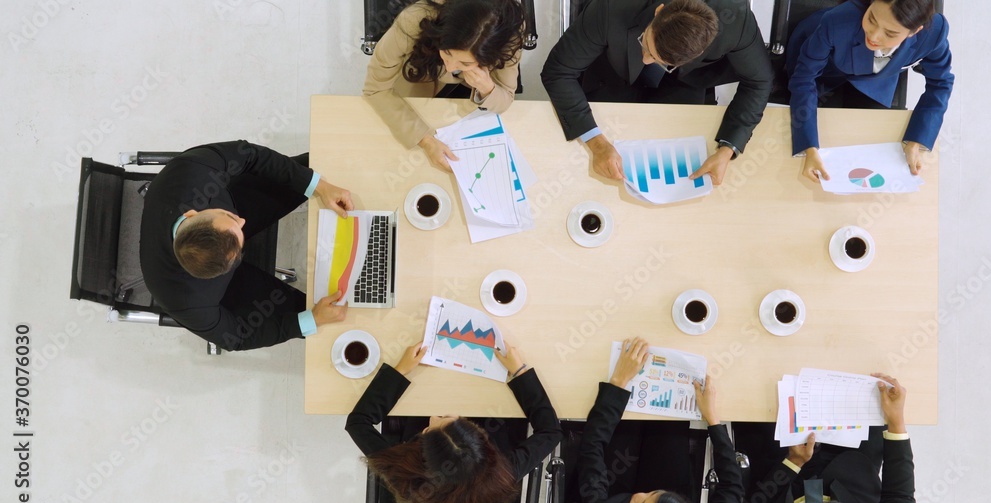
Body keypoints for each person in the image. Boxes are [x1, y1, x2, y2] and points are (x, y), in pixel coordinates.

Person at [139, 140, 354, 351]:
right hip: (230, 288)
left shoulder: (192, 172)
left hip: (234, 199)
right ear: (229, 265)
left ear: (192, 214)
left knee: (322, 171)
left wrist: (320, 186)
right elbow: (236, 338)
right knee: (333, 318)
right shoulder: (185, 300)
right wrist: (311, 320)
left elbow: (249, 154)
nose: (242, 223)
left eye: (230, 220)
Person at [345, 340, 560, 503]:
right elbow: (551, 432)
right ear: (481, 440)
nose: (433, 416)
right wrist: (520, 371)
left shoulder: (405, 474)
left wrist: (400, 370)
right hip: (488, 400)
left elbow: (357, 423)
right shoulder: (500, 475)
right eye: (447, 419)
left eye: (431, 426)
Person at [541, 0, 772, 185]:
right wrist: (596, 143)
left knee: (679, 167)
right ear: (659, 11)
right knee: (595, 174)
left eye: (660, 60)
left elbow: (759, 82)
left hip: (685, 83)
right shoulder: (611, 6)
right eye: (647, 46)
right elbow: (557, 71)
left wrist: (727, 149)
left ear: (701, 50)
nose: (646, 59)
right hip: (612, 73)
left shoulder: (735, 17)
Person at [572, 337, 744, 503]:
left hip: (610, 499)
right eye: (653, 495)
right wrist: (712, 419)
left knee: (625, 425)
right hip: (656, 494)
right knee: (668, 422)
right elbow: (732, 491)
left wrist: (618, 381)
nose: (640, 495)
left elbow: (592, 448)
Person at [730, 373, 914, 503]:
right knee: (861, 377)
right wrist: (896, 422)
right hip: (853, 463)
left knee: (756, 382)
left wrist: (791, 464)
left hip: (776, 473)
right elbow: (899, 497)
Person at [787, 0, 954, 182]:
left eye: (890, 33)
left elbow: (941, 82)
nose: (874, 36)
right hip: (825, 71)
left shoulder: (934, 32)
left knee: (871, 153)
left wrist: (917, 140)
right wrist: (808, 146)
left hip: (875, 81)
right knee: (821, 138)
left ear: (915, 31)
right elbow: (804, 78)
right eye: (872, 19)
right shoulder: (837, 20)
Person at [363, 0, 525, 171]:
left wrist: (486, 87)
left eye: (464, 62)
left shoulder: (508, 35)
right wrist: (426, 140)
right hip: (419, 77)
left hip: (468, 99)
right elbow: (375, 88)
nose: (450, 67)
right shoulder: (414, 19)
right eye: (447, 52)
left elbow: (506, 96)